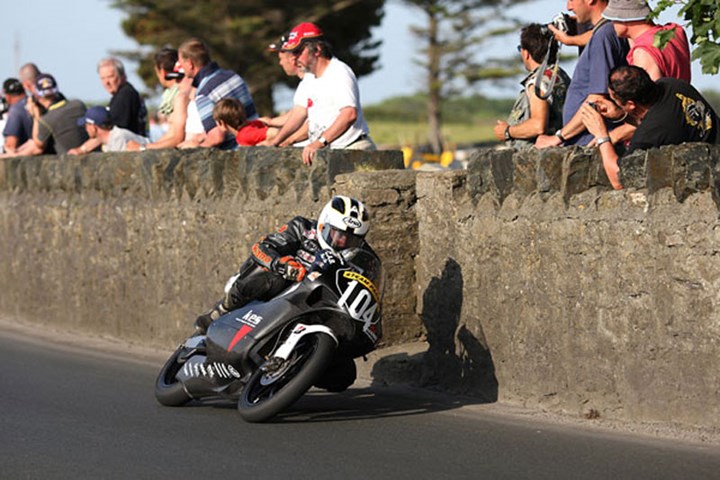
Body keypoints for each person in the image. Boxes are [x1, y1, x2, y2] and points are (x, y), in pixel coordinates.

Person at [194, 195, 377, 334]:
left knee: (343, 375)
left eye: (351, 239)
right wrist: (280, 264)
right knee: (269, 276)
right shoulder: (302, 228)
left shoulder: (362, 255)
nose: (342, 242)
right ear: (323, 224)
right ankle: (223, 309)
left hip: (317, 303)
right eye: (337, 234)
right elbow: (261, 247)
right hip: (279, 289)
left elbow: (369, 286)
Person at [581, 65, 718, 190]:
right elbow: (658, 121)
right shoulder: (672, 84)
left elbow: (619, 179)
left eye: (614, 98)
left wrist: (601, 135)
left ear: (630, 104)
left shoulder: (651, 132)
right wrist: (621, 114)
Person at [267, 23, 376, 165]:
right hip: (333, 153)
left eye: (298, 51)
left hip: (353, 150)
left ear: (317, 50)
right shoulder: (310, 78)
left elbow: (349, 114)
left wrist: (319, 142)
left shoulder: (339, 72)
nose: (294, 58)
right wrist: (276, 141)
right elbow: (299, 113)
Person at [535, 0, 629, 148]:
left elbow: (596, 100)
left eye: (572, 0)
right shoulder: (609, 31)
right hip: (593, 141)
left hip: (591, 143)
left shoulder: (603, 36)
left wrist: (558, 137)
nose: (568, 7)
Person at [494, 24, 571, 149]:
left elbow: (538, 125)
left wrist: (507, 131)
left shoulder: (538, 82)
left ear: (525, 53)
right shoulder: (560, 76)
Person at [176, 38, 257, 150]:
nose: (182, 69)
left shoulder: (204, 92)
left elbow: (217, 137)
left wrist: (195, 146)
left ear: (190, 64)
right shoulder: (233, 75)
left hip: (237, 152)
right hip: (257, 142)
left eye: (181, 64)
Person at [603, 0, 690, 82]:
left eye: (613, 19)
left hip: (666, 98)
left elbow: (648, 95)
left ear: (624, 19)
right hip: (682, 96)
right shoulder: (674, 31)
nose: (612, 23)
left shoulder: (642, 52)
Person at [4, 74, 88, 157]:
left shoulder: (46, 120)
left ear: (37, 96)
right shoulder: (78, 104)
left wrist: (36, 116)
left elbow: (38, 145)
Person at [126, 47, 192, 151]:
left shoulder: (181, 96)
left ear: (162, 71)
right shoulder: (177, 94)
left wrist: (142, 148)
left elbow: (178, 138)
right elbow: (171, 134)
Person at [257, 36, 311, 147]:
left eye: (281, 58)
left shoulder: (311, 83)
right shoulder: (305, 84)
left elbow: (313, 123)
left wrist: (284, 141)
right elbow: (297, 113)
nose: (280, 63)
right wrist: (271, 122)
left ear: (292, 58)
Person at [75, 106, 149, 152]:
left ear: (94, 127)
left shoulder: (118, 138)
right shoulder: (109, 139)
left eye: (87, 125)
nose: (86, 128)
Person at [212, 98, 279, 147]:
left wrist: (269, 142)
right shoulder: (253, 123)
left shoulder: (244, 135)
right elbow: (266, 120)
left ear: (222, 123)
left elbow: (274, 132)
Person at [1, 78, 33, 155]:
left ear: (7, 96)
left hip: (25, 159)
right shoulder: (35, 103)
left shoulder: (15, 110)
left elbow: (11, 145)